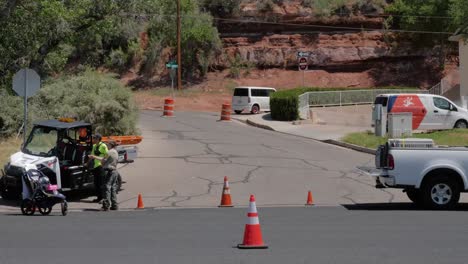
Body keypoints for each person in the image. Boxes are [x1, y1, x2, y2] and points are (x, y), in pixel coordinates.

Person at [92, 140, 119, 211]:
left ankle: (106, 205)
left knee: (107, 187)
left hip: (109, 171)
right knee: (113, 188)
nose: (107, 145)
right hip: (115, 171)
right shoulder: (115, 151)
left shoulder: (109, 152)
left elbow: (103, 160)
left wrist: (96, 158)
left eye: (108, 144)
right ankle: (114, 205)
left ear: (110, 145)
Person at [89, 133, 108, 203]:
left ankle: (104, 198)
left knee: (101, 183)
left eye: (95, 138)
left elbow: (106, 157)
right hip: (95, 166)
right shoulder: (94, 146)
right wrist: (87, 163)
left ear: (98, 139)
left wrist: (94, 157)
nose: (93, 139)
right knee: (96, 183)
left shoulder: (103, 146)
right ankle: (99, 198)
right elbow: (92, 155)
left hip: (101, 166)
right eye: (93, 138)